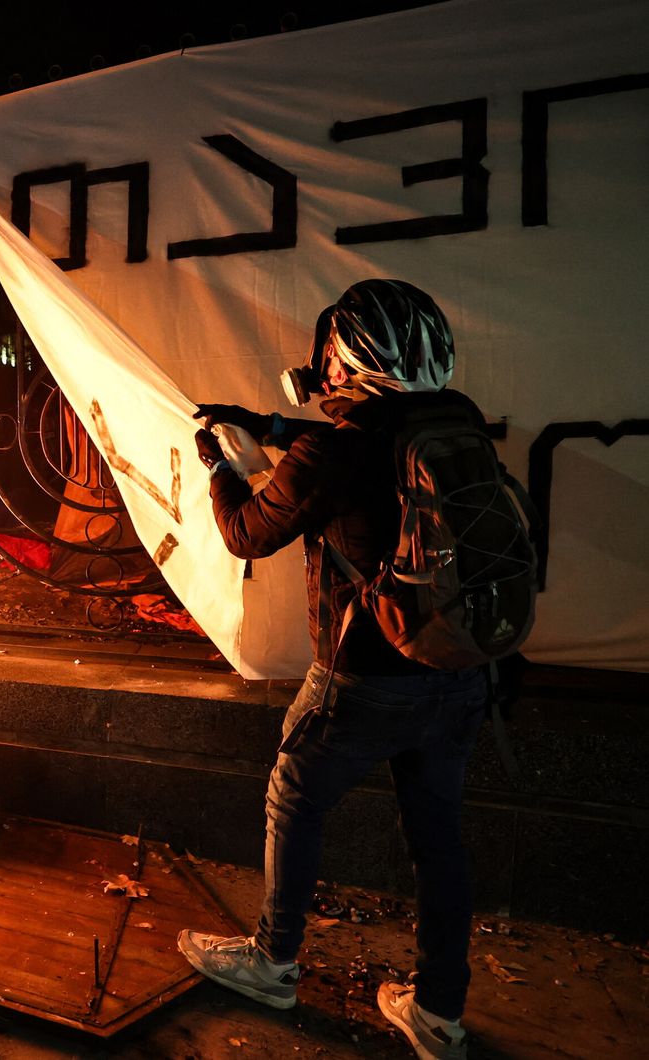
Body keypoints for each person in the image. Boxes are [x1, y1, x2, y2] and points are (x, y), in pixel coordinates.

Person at [176, 280, 489, 1060]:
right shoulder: (459, 425)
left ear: (349, 361)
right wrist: (273, 427)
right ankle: (439, 1014)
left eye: (328, 359)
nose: (319, 372)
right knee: (438, 840)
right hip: (458, 672)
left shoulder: (329, 452)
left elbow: (248, 534)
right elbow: (358, 446)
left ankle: (274, 962)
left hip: (362, 678)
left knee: (294, 796)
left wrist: (227, 466)